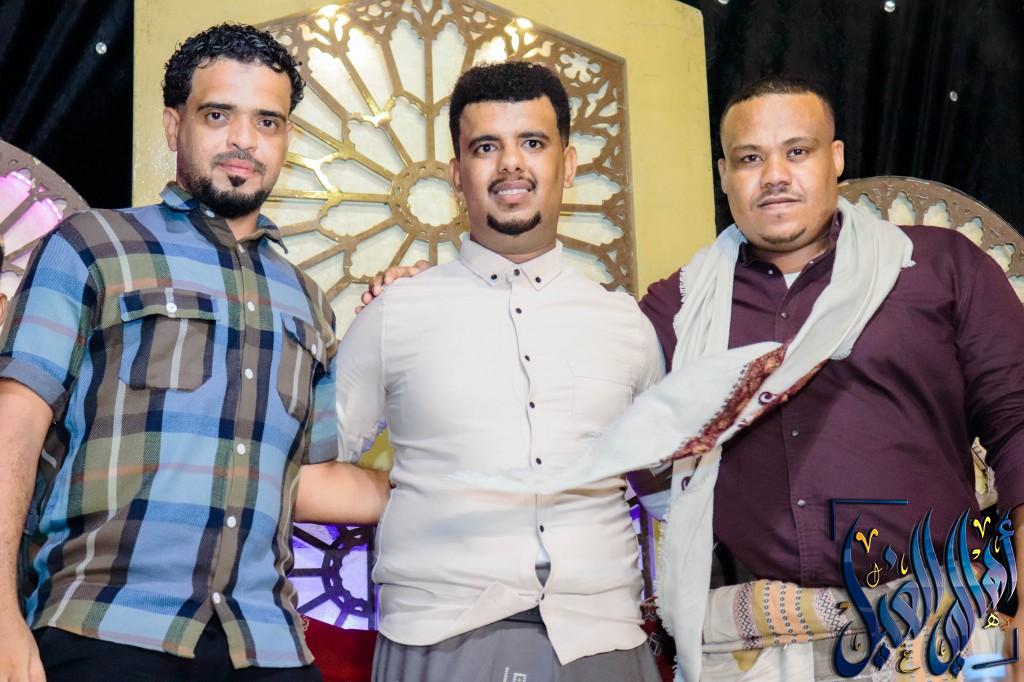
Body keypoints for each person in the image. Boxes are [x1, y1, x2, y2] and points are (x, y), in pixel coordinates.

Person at [0, 23, 387, 682]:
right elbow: (15, 427)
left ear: (286, 138)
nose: (244, 139)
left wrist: (458, 486)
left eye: (267, 121)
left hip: (266, 643)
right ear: (174, 125)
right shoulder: (92, 247)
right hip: (107, 627)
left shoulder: (305, 301)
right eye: (218, 115)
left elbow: (308, 481)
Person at [628, 76, 1024, 680]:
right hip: (748, 648)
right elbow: (594, 409)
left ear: (835, 157)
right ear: (724, 175)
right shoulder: (681, 306)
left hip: (933, 636)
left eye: (797, 151)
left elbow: (1018, 427)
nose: (774, 175)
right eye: (750, 159)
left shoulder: (938, 267)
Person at [335, 61, 664, 681]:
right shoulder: (394, 314)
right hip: (440, 638)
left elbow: (667, 484)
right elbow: (307, 463)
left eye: (533, 143)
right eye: (486, 147)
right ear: (457, 176)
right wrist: (414, 491)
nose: (511, 164)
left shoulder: (626, 324)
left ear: (568, 164)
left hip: (605, 640)